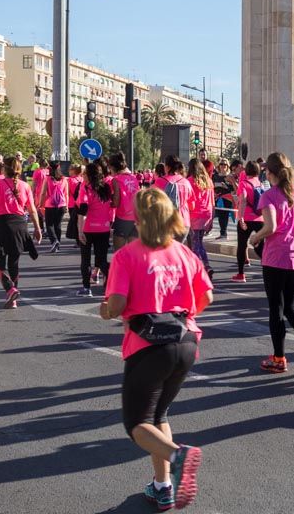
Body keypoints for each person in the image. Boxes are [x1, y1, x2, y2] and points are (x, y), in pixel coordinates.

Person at [101, 186, 211, 511]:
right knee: (158, 415)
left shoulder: (127, 255)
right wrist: (181, 317)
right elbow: (207, 296)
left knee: (137, 424)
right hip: (186, 341)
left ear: (138, 218)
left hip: (149, 345)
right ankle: (163, 486)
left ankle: (179, 457)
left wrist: (105, 310)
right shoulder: (184, 253)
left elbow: (116, 304)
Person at [247, 152, 294, 373]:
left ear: (269, 173)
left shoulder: (269, 196)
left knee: (276, 309)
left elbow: (270, 227)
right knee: (290, 305)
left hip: (277, 257)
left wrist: (255, 237)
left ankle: (279, 358)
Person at [0, 155, 42, 308]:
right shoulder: (25, 186)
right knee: (14, 262)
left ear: (4, 169)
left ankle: (10, 289)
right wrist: (37, 228)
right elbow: (32, 209)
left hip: (2, 225)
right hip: (20, 226)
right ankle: (13, 300)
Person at [76, 159, 116, 297]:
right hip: (103, 228)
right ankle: (110, 276)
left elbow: (83, 210)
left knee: (85, 260)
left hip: (88, 229)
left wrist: (80, 230)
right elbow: (111, 207)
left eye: (85, 174)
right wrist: (110, 224)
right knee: (101, 259)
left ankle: (86, 288)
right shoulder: (106, 188)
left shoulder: (86, 188)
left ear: (89, 175)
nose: (83, 176)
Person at [231, 161, 264, 282]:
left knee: (242, 245)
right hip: (260, 218)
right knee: (261, 246)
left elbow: (243, 201)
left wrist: (240, 217)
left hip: (246, 218)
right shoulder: (260, 183)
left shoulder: (243, 183)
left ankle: (241, 274)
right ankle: (268, 266)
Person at [185, 159, 215, 278]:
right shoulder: (209, 181)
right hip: (206, 214)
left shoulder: (189, 181)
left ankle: (197, 270)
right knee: (199, 242)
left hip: (195, 214)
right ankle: (206, 266)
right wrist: (212, 219)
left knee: (195, 243)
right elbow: (212, 202)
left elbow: (188, 200)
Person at [37, 160, 70, 253]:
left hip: (50, 205)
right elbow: (66, 194)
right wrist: (67, 205)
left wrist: (40, 204)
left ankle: (54, 241)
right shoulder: (64, 179)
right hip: (62, 204)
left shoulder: (47, 179)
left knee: (49, 225)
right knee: (58, 225)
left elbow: (43, 193)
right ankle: (57, 245)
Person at [110, 151, 140, 248]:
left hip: (123, 218)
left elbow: (116, 202)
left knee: (119, 253)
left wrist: (108, 204)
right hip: (136, 217)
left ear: (113, 167)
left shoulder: (116, 179)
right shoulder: (134, 178)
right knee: (132, 252)